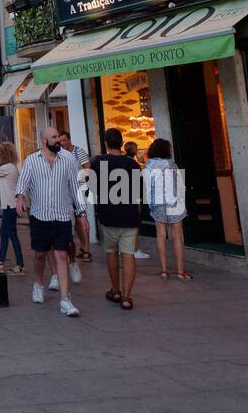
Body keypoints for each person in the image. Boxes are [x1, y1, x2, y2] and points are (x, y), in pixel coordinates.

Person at [16, 127, 87, 316]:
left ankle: (65, 299)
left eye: (58, 137)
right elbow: (22, 182)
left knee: (61, 255)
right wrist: (20, 198)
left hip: (63, 216)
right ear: (45, 141)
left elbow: (74, 187)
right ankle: (38, 283)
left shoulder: (68, 159)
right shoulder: (32, 161)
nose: (59, 140)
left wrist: (81, 214)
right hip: (40, 216)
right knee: (40, 255)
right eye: (54, 137)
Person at [92, 129, 141, 310]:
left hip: (109, 215)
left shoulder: (99, 163)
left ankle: (115, 289)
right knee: (128, 255)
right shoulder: (133, 164)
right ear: (121, 143)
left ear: (106, 143)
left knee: (111, 252)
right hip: (129, 215)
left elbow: (93, 189)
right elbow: (138, 195)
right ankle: (127, 297)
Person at [144, 138, 190, 281]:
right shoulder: (172, 165)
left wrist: (151, 204)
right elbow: (181, 186)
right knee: (177, 236)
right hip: (174, 201)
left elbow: (147, 188)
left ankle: (164, 270)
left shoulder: (148, 166)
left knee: (161, 235)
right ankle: (180, 272)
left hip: (158, 202)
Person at [0, 141, 24, 274]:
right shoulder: (13, 166)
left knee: (11, 234)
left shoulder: (6, 167)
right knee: (4, 233)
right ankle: (0, 261)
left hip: (9, 206)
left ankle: (20, 265)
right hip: (10, 205)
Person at [58, 129, 93, 265]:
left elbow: (88, 168)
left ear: (69, 140)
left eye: (64, 140)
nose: (62, 143)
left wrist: (77, 181)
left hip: (78, 190)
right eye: (60, 141)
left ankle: (87, 251)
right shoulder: (59, 154)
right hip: (65, 192)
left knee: (81, 219)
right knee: (76, 222)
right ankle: (83, 248)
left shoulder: (78, 152)